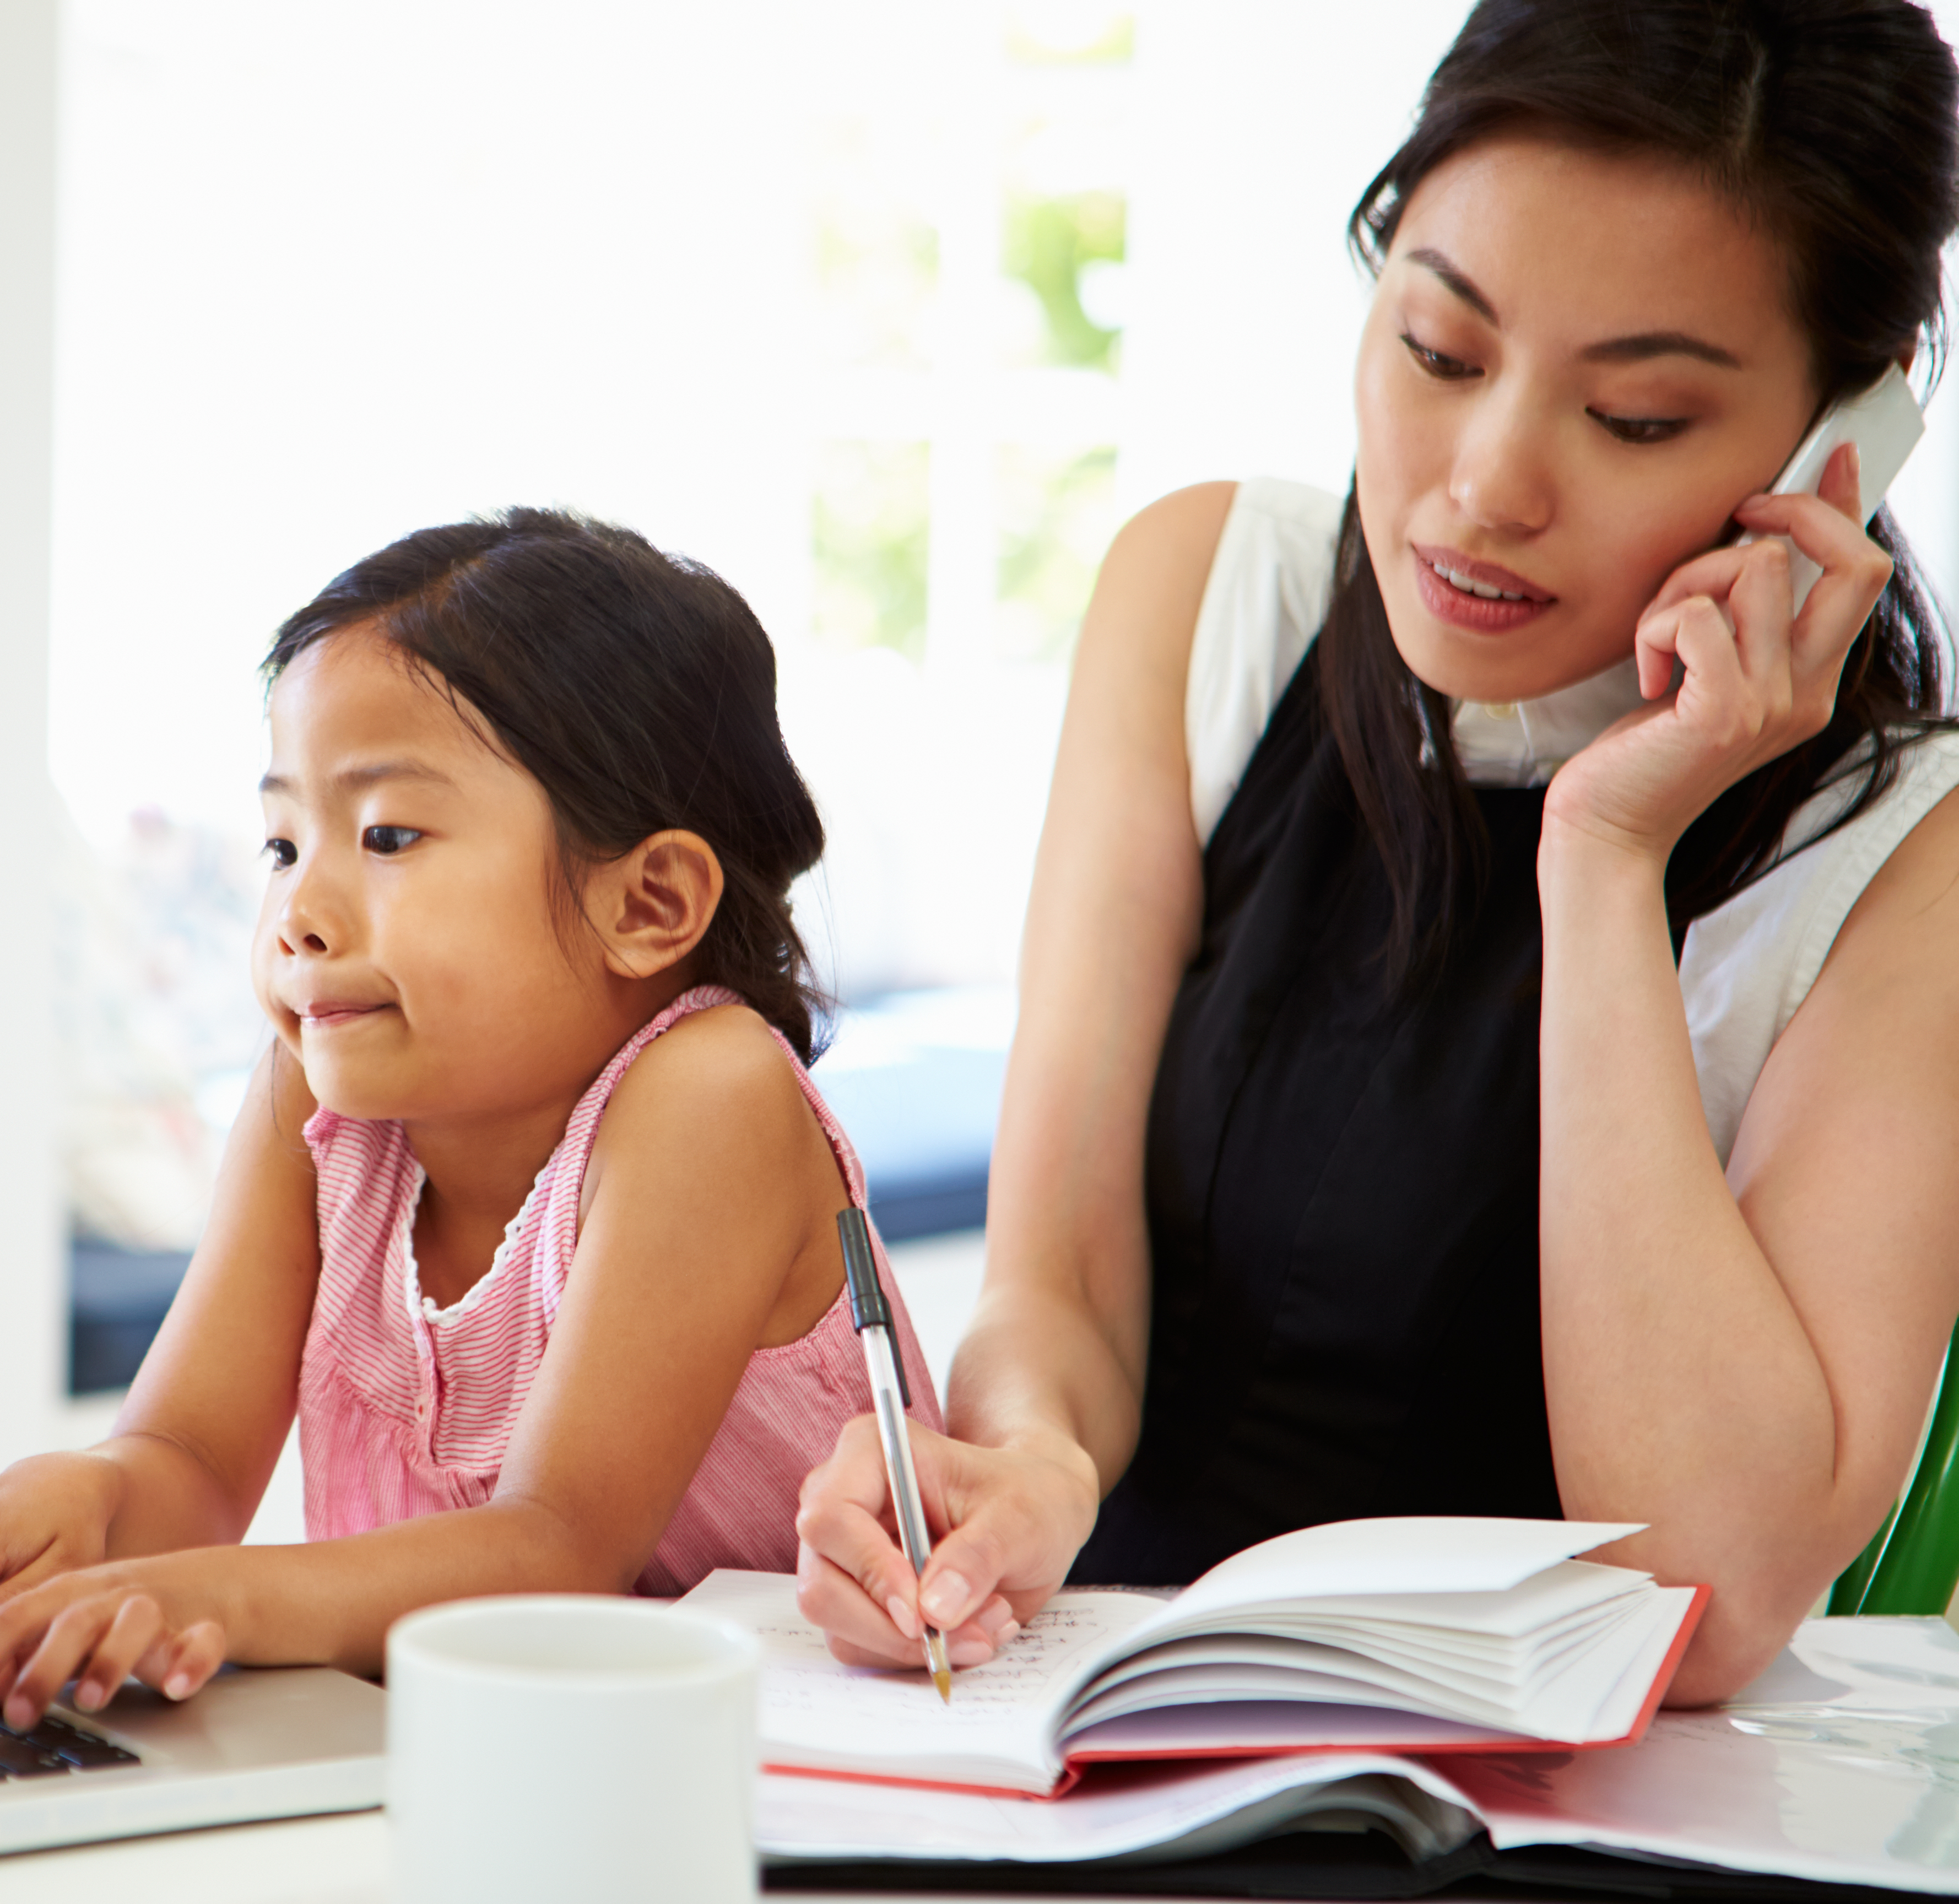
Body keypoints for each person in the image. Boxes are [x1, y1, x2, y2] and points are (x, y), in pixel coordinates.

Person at [797, 0, 1959, 1707]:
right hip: (1114, 1721)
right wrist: (1027, 1462)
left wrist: (1603, 852)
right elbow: (1061, 1280)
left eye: (1634, 418)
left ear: (1836, 447)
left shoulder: (1903, 852)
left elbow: (1704, 1596)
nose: (1484, 487)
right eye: (1437, 349)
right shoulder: (1207, 597)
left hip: (1559, 1820)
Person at [0, 509, 941, 1730]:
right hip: (465, 1764)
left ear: (648, 902)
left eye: (386, 834)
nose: (297, 909)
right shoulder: (320, 1102)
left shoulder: (709, 1092)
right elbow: (186, 1463)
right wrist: (79, 1499)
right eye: (283, 842)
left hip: (767, 1779)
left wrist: (216, 1598)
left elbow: (554, 1551)